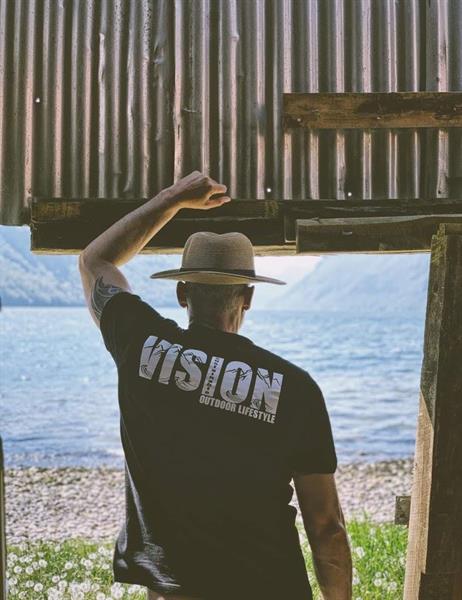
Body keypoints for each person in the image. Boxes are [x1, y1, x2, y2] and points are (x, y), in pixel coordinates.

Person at [79, 171, 352, 600]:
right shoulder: (296, 389)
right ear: (249, 297)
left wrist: (173, 198)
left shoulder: (139, 343)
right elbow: (326, 526)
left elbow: (95, 260)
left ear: (182, 293)